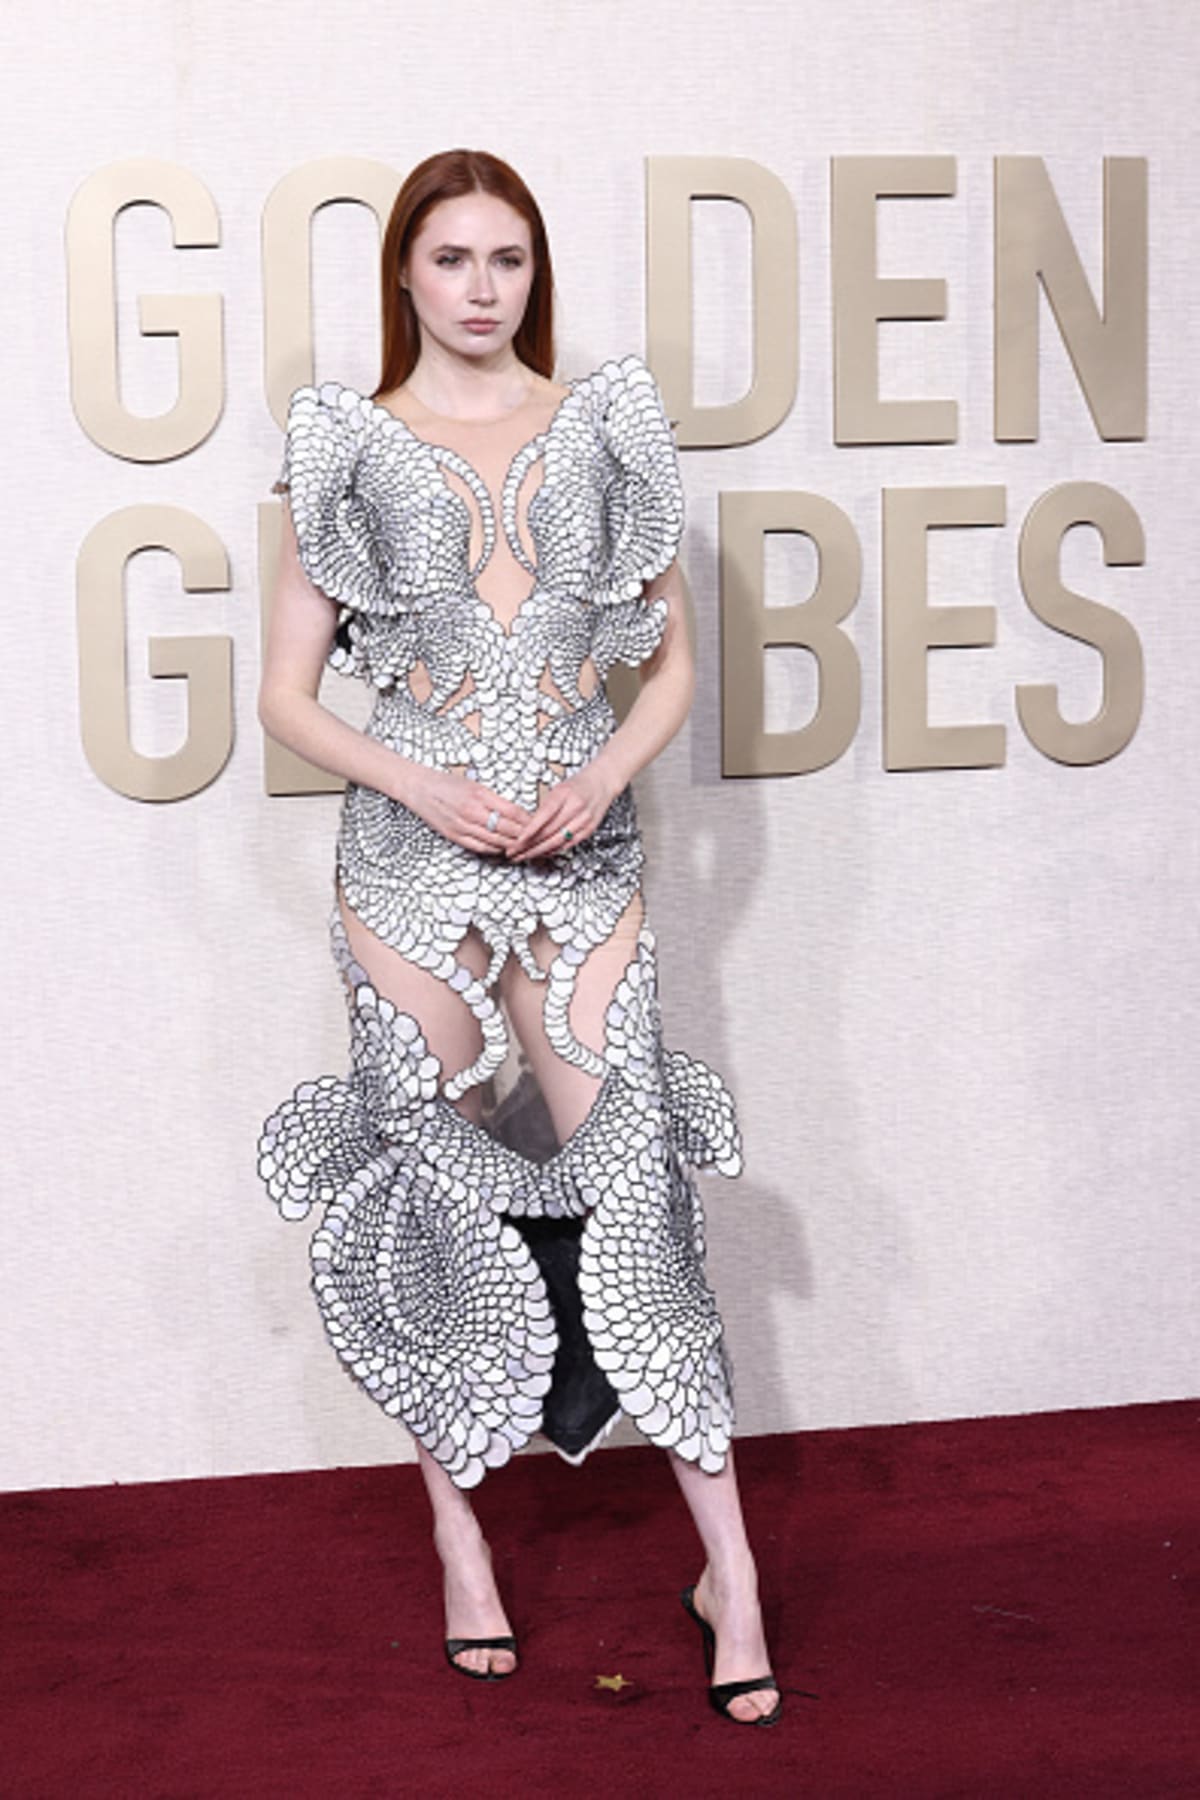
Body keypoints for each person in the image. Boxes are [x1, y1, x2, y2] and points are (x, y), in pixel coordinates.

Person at [256, 148, 780, 1727]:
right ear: (404, 276)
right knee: (440, 1207)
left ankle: (732, 1578)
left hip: (584, 855)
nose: (483, 287)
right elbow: (285, 697)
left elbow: (670, 673)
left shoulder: (605, 426)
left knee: (634, 1201)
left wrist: (602, 773)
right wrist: (418, 776)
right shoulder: (346, 448)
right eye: (453, 259)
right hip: (408, 872)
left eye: (507, 259)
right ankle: (459, 1543)